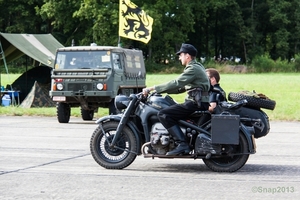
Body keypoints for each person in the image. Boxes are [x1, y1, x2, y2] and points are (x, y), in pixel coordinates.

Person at [143, 43, 210, 156]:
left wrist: (152, 88)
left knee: (164, 114)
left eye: (181, 55)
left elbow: (177, 83)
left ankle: (182, 143)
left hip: (195, 103)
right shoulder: (198, 66)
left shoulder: (192, 68)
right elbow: (182, 88)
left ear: (187, 56)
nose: (179, 58)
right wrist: (160, 91)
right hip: (199, 102)